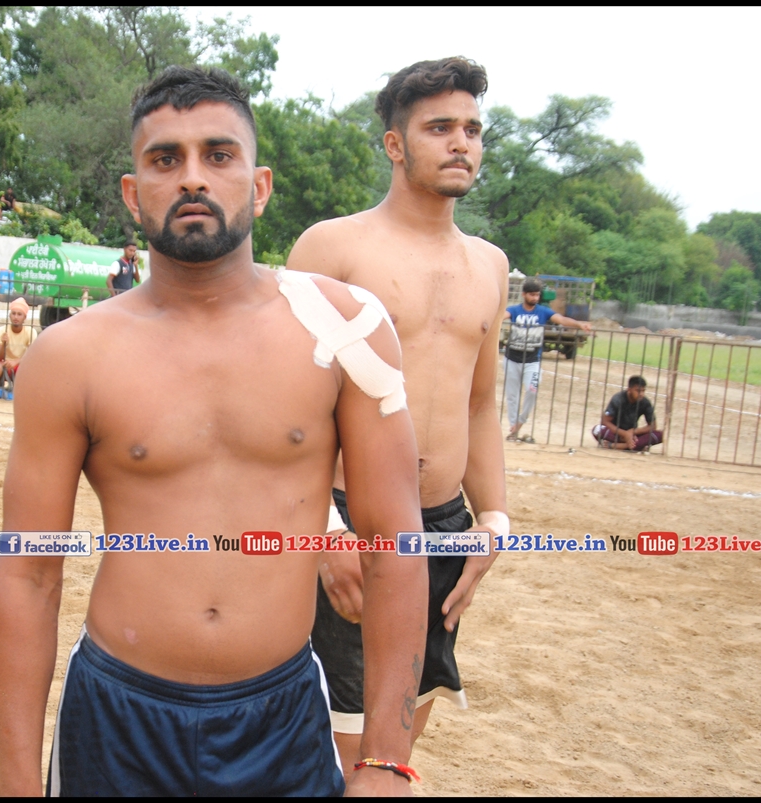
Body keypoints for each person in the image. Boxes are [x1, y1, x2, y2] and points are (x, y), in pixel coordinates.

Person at [0, 66, 426, 797]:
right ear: (134, 193)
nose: (192, 177)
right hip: (117, 719)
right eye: (165, 159)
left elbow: (395, 546)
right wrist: (16, 784)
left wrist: (386, 760)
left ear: (259, 185)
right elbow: (29, 574)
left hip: (282, 718)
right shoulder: (68, 357)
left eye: (218, 155)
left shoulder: (347, 328)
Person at [285, 56, 512, 771]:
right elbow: (287, 407)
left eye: (472, 128)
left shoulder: (491, 265)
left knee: (401, 743)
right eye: (439, 127)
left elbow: (480, 401)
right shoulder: (332, 247)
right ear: (394, 143)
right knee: (346, 750)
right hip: (351, 520)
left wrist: (493, 520)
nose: (461, 142)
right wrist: (323, 529)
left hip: (443, 528)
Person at [502, 277, 592, 442]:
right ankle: (513, 428)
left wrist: (579, 324)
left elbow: (562, 320)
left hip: (532, 360)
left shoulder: (543, 311)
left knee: (532, 389)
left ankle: (521, 421)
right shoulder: (515, 310)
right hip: (512, 359)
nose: (535, 298)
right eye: (532, 295)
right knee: (512, 395)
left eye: (537, 295)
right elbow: (502, 315)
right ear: (524, 295)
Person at [592, 375, 664, 450]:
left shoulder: (645, 402)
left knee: (661, 435)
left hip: (633, 435)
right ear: (629, 390)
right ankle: (636, 446)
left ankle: (615, 446)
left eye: (643, 391)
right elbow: (605, 421)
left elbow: (652, 426)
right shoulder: (618, 399)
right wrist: (624, 434)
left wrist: (633, 431)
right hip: (616, 433)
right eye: (638, 391)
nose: (641, 394)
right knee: (597, 429)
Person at [0, 297, 36, 399]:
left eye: (19, 314)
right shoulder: (1, 331)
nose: (16, 317)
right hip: (5, 363)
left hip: (22, 363)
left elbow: (32, 355)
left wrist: (16, 361)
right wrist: (4, 344)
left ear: (24, 317)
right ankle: (1, 385)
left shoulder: (30, 332)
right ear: (9, 315)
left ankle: (19, 387)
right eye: (13, 313)